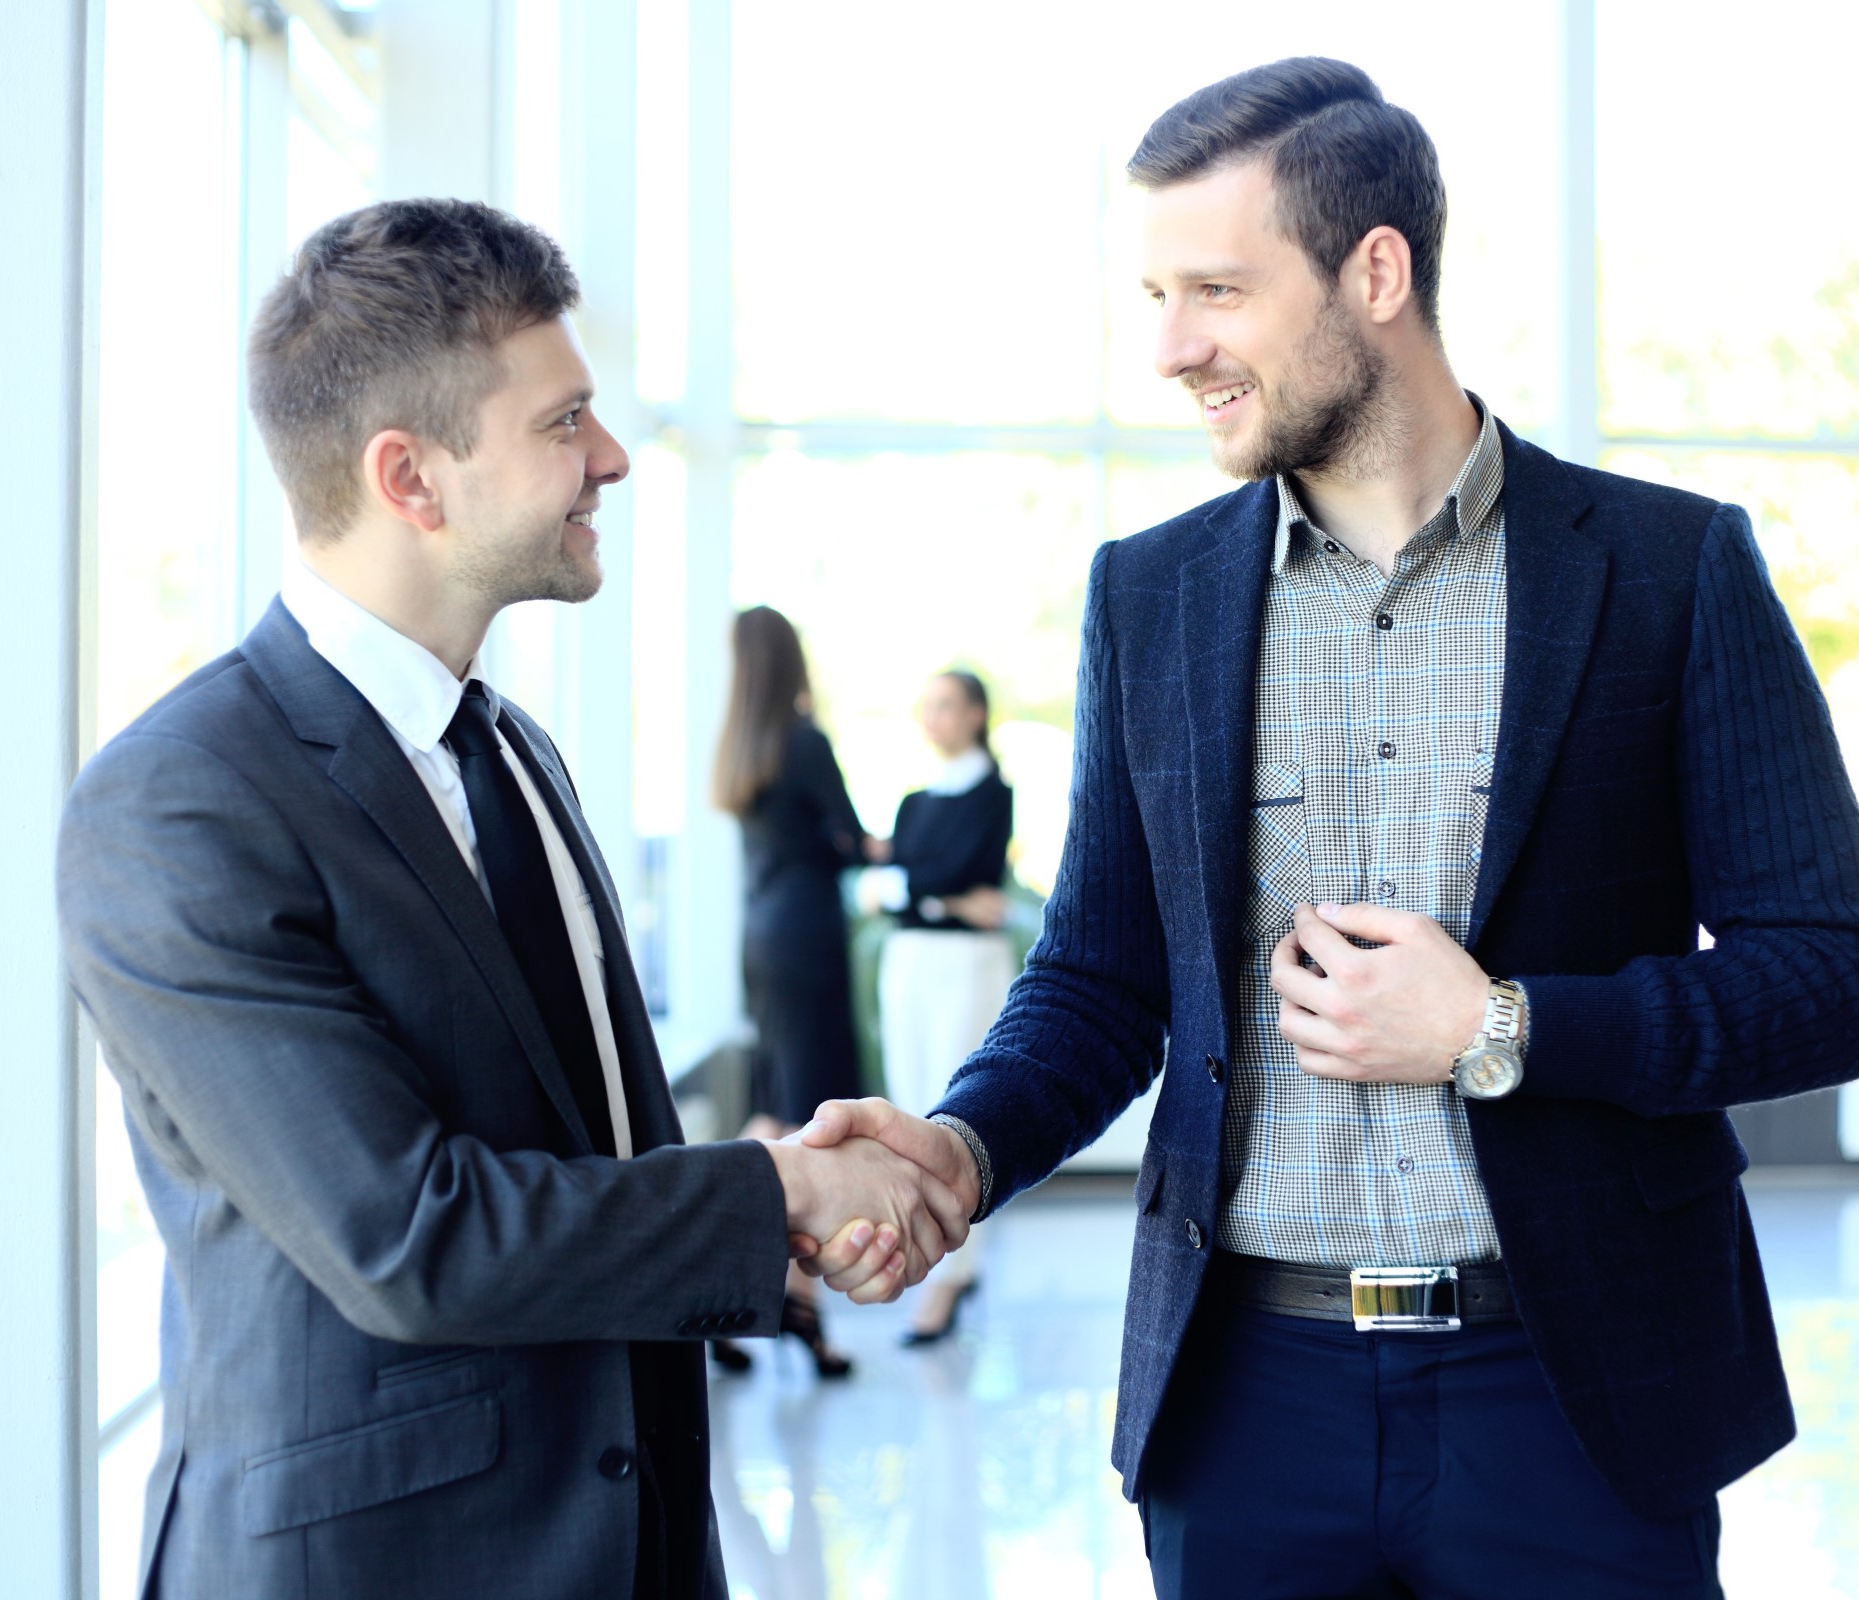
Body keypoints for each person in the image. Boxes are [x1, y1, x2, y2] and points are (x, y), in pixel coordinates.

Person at [800, 57, 1859, 1599]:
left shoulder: (1668, 570)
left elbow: (1830, 972)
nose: (1171, 349)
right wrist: (963, 1149)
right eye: (1157, 292)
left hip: (1573, 1398)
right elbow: (1100, 978)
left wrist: (1503, 1028)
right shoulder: (1143, 598)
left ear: (1377, 273)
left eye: (1217, 289)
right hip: (1247, 1407)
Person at [55, 199, 964, 1600]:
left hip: (627, 1531)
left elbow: (578, 1143)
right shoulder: (181, 803)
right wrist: (774, 1186)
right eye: (565, 424)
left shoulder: (515, 750)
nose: (608, 458)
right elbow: (408, 1233)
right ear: (411, 478)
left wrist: (771, 1220)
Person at [709, 604, 879, 1377]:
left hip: (760, 936)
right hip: (807, 937)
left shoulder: (739, 745)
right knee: (811, 1112)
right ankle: (800, 1308)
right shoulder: (804, 741)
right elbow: (848, 839)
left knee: (777, 1100)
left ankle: (724, 1280)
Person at [866, 671, 1015, 1343]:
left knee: (957, 1115)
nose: (934, 719)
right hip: (910, 960)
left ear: (977, 714)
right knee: (909, 1106)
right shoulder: (914, 800)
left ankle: (955, 1276)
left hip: (964, 966)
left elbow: (944, 868)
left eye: (947, 706)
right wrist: (941, 896)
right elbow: (906, 882)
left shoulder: (994, 795)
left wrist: (916, 888)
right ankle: (940, 1260)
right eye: (925, 707)